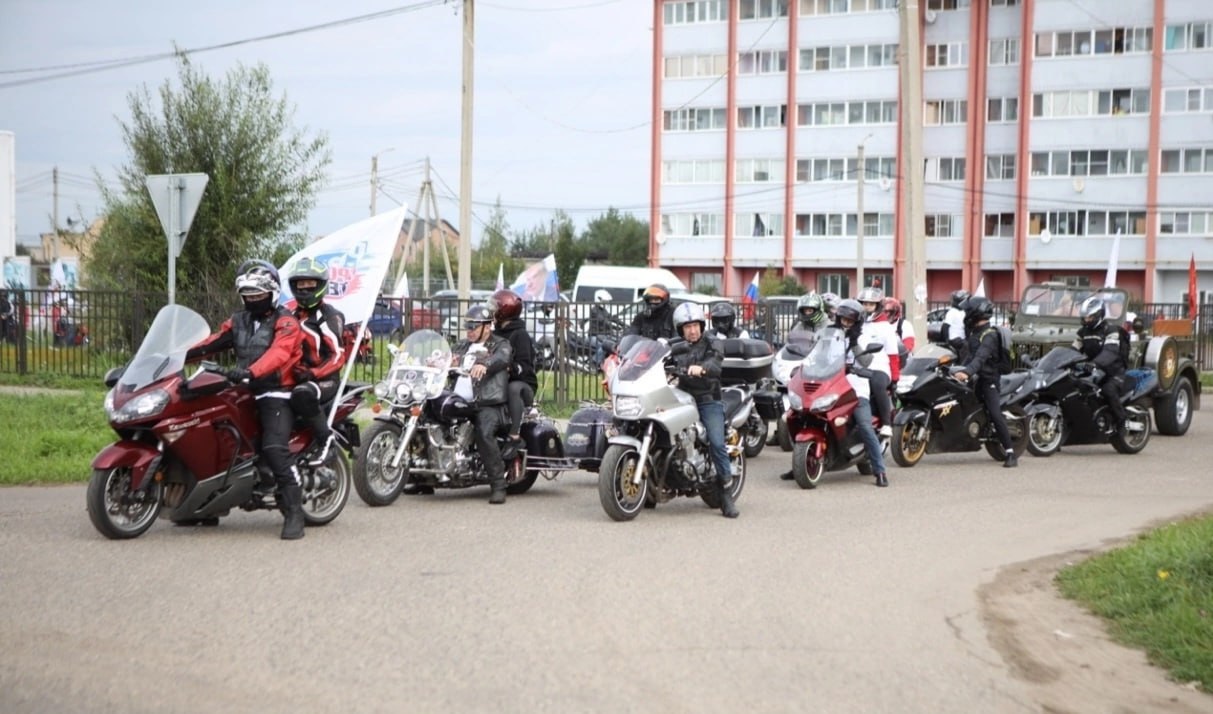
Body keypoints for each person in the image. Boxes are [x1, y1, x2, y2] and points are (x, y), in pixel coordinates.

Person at [186, 260, 308, 538]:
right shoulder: (238, 320)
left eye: (258, 295)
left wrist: (251, 372)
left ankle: (294, 513)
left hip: (275, 391)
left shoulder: (286, 321)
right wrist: (177, 355)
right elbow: (212, 342)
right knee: (203, 429)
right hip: (241, 388)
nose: (253, 300)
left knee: (275, 448)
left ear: (273, 293)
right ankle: (205, 504)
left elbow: (279, 354)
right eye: (248, 295)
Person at [668, 302, 739, 518]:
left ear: (701, 324)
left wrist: (703, 368)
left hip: (708, 400)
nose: (692, 330)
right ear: (681, 329)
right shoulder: (675, 346)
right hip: (682, 398)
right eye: (687, 327)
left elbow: (716, 364)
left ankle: (726, 493)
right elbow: (656, 358)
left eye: (695, 325)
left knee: (717, 443)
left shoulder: (713, 342)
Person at [287, 258, 347, 467]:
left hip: (324, 380)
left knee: (303, 393)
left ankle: (326, 442)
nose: (304, 289)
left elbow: (338, 355)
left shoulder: (329, 316)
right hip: (294, 377)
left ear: (320, 285)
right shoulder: (290, 315)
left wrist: (314, 373)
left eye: (310, 284)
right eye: (300, 284)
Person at [452, 305, 514, 504]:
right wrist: (437, 362)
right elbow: (448, 358)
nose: (469, 330)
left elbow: (502, 358)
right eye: (467, 326)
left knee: (484, 433)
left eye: (473, 326)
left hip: (487, 402)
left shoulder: (500, 344)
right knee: (427, 421)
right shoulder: (461, 346)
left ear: (487, 327)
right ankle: (420, 478)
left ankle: (498, 485)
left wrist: (484, 364)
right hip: (458, 401)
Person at [953, 296, 1017, 468]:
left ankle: (1010, 452)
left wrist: (967, 372)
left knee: (995, 413)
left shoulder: (990, 336)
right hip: (975, 378)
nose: (965, 314)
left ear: (976, 313)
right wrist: (953, 368)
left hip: (988, 380)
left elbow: (980, 358)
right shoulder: (975, 333)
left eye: (967, 311)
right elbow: (969, 357)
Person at [835, 299, 890, 487]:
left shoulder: (863, 336)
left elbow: (866, 362)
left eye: (850, 321)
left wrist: (854, 341)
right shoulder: (830, 335)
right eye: (843, 319)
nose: (846, 323)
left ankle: (880, 471)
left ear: (856, 322)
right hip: (833, 387)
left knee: (865, 426)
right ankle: (800, 465)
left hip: (856, 390)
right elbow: (817, 354)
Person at [1073, 296, 1131, 432]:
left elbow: (1110, 352)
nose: (1086, 320)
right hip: (1094, 371)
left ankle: (1122, 422)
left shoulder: (1110, 330)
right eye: (1084, 317)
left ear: (1098, 315)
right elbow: (1073, 350)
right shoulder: (1083, 332)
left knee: (1108, 390)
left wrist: (1094, 364)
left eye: (1089, 317)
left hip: (1114, 372)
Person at [487, 289, 538, 444]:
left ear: (504, 311)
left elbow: (525, 368)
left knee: (513, 388)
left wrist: (509, 368)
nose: (491, 311)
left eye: (494, 308)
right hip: (497, 382)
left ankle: (514, 433)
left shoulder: (520, 335)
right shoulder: (494, 333)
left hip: (523, 385)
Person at [856, 287, 899, 437]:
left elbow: (893, 355)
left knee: (877, 383)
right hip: (857, 366)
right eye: (864, 303)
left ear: (878, 306)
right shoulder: (856, 324)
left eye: (871, 304)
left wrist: (895, 378)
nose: (867, 307)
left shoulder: (886, 328)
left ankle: (887, 424)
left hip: (880, 367)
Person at [588, 289, 625, 365]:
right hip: (595, 336)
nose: (606, 303)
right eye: (604, 301)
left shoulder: (603, 310)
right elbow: (603, 321)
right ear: (599, 300)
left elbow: (611, 318)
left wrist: (623, 324)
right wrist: (614, 327)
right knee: (606, 346)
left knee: (617, 342)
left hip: (604, 335)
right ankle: (593, 362)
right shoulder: (594, 310)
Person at [879, 296, 915, 367]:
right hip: (882, 361)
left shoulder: (904, 325)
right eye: (883, 311)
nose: (885, 315)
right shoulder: (878, 325)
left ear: (896, 312)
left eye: (888, 312)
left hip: (902, 361)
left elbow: (908, 345)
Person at [941, 289, 969, 357]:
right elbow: (945, 326)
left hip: (962, 338)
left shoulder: (963, 312)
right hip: (955, 338)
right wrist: (946, 340)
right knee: (967, 347)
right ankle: (963, 365)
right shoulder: (952, 312)